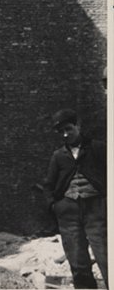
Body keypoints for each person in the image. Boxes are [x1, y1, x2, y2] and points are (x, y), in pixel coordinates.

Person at [42, 108, 108, 289]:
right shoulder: (58, 156)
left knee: (106, 257)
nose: (65, 134)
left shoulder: (100, 148)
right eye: (61, 131)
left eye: (69, 129)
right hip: (68, 212)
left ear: (78, 126)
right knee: (77, 261)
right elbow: (49, 185)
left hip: (98, 210)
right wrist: (55, 206)